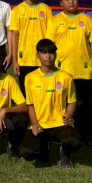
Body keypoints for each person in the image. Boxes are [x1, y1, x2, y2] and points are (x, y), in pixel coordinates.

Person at [49, 0, 92, 145]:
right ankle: (63, 133)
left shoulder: (87, 20)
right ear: (61, 3)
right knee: (62, 104)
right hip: (61, 71)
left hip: (82, 71)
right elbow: (49, 47)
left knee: (84, 104)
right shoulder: (55, 21)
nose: (71, 2)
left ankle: (86, 134)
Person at [20, 39, 81, 168]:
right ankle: (44, 148)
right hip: (40, 124)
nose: (48, 56)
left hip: (60, 123)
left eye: (51, 53)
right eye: (44, 53)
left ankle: (65, 152)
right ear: (38, 55)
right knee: (27, 152)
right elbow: (30, 105)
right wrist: (34, 124)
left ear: (56, 55)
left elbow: (72, 101)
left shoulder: (66, 77)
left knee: (75, 142)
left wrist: (68, 116)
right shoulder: (30, 78)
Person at [9, 0, 53, 93]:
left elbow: (51, 36)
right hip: (24, 58)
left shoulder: (46, 9)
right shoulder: (17, 10)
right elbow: (15, 36)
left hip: (43, 58)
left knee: (43, 91)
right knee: (26, 93)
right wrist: (15, 61)